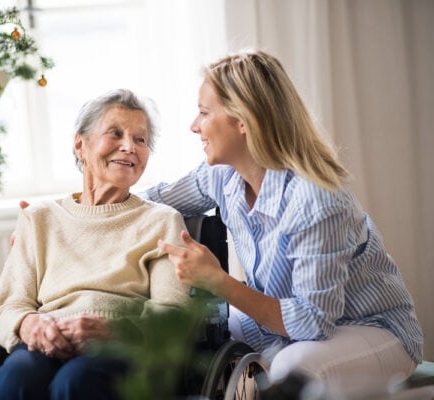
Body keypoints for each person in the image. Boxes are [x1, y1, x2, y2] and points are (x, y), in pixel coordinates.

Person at [149, 49, 423, 395]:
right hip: (281, 329)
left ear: (243, 121)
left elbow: (313, 322)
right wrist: (88, 196)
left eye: (204, 113)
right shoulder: (221, 176)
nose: (194, 126)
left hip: (372, 330)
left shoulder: (316, 199)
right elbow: (153, 202)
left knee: (292, 368)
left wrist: (217, 281)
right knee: (187, 342)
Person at [0, 89, 190, 400]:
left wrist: (115, 332)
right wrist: (31, 326)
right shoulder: (38, 218)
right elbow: (8, 307)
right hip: (46, 343)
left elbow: (172, 315)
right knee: (19, 377)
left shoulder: (162, 221)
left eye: (141, 139)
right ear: (80, 145)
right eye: (116, 133)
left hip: (124, 351)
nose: (129, 147)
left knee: (76, 381)